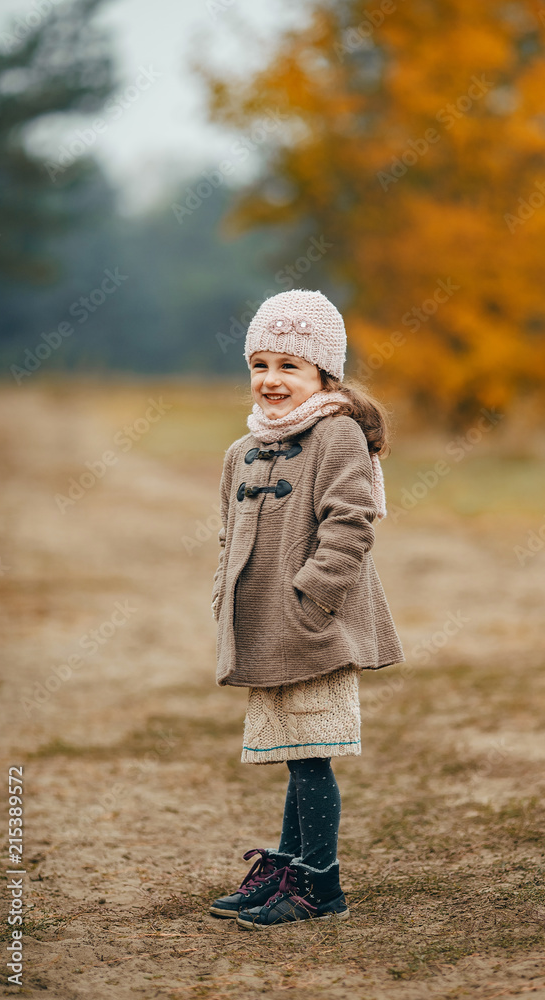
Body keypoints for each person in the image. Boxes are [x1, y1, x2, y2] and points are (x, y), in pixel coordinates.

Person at [208, 289, 404, 929]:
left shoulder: (336, 434)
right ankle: (288, 868)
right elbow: (227, 535)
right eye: (260, 365)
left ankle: (320, 886)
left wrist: (313, 595)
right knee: (296, 749)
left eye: (289, 366)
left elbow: (352, 523)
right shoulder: (244, 450)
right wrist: (224, 597)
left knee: (312, 753)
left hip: (315, 623)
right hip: (264, 626)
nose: (271, 380)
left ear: (324, 373)